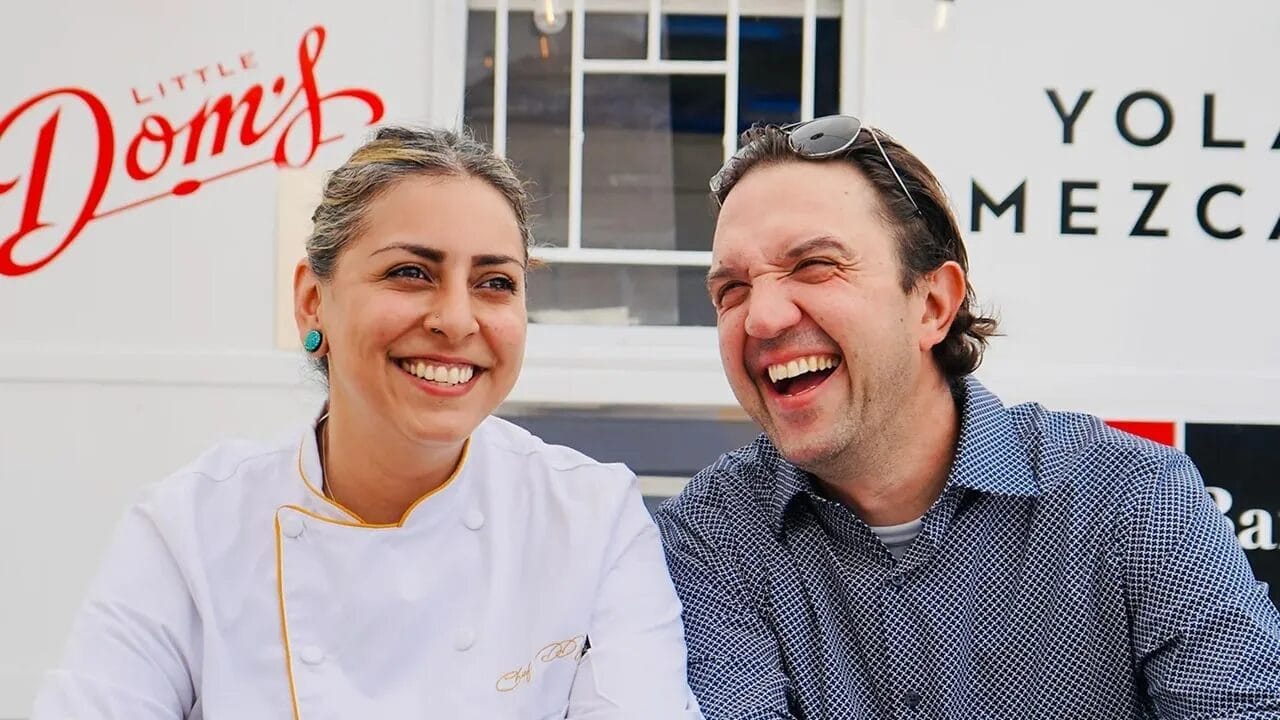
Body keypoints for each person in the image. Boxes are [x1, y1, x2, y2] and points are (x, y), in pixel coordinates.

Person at [34, 126, 701, 720]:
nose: (457, 320)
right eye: (411, 273)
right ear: (312, 302)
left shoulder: (591, 519)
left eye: (495, 282)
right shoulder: (190, 529)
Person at [654, 115, 1280, 719]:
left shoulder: (1134, 499)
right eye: (731, 290)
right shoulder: (712, 534)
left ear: (933, 305)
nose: (762, 318)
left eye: (815, 266)